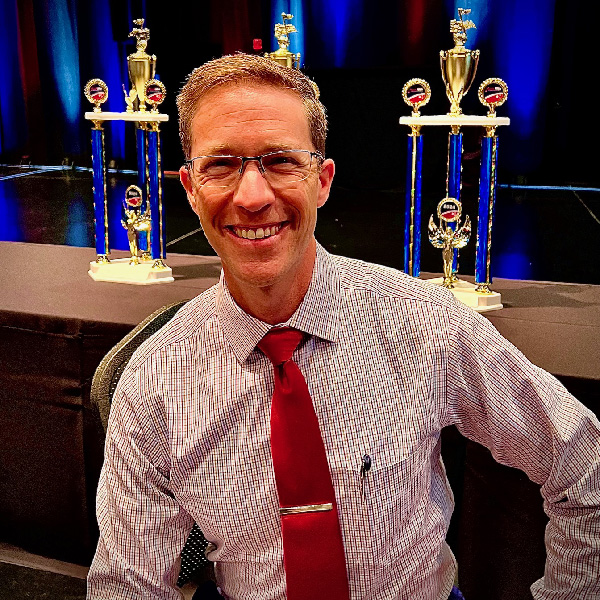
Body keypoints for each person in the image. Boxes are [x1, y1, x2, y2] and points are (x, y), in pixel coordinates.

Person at [87, 54, 600, 600]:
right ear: (190, 188)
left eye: (282, 161)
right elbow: (128, 584)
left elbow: (583, 463)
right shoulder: (153, 381)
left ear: (323, 181)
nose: (253, 196)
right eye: (222, 166)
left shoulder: (426, 323)